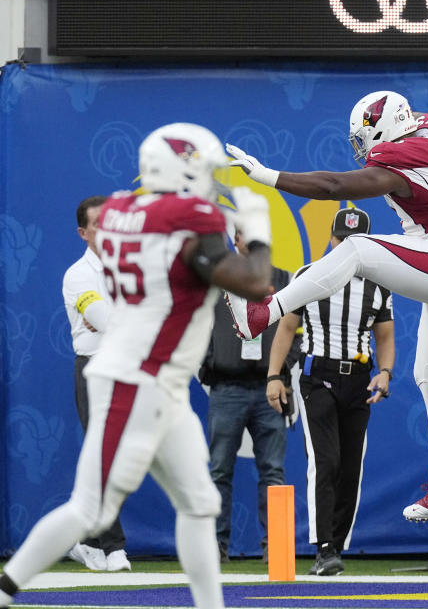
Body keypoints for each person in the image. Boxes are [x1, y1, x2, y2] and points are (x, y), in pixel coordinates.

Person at [0, 122, 274, 609]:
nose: (207, 180)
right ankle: (5, 589)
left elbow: (175, 256)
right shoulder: (189, 217)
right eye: (201, 168)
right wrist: (256, 232)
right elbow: (255, 282)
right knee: (90, 508)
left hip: (155, 378)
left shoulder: (121, 210)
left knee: (199, 502)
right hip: (137, 378)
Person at [222, 90, 428, 523]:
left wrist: (267, 175)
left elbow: (334, 186)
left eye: (365, 137)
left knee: (355, 248)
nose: (363, 148)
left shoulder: (407, 151)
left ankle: (265, 312)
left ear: (387, 126)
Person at [267, 207, 395, 576]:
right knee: (326, 461)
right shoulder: (308, 275)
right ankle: (323, 547)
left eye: (356, 243)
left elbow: (384, 336)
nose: (346, 248)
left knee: (350, 467)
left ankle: (335, 545)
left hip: (359, 378)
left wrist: (385, 372)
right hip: (318, 375)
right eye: (342, 240)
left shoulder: (377, 284)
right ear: (332, 238)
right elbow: (287, 328)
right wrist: (274, 375)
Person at [200, 229, 291, 562]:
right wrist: (206, 366)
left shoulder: (283, 279)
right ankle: (214, 548)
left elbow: (294, 329)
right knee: (219, 470)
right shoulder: (215, 281)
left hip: (269, 390)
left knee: (274, 472)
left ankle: (277, 549)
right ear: (234, 239)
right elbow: (193, 324)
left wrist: (280, 373)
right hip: (226, 388)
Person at [61, 195, 130, 572]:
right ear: (84, 233)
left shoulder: (132, 269)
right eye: (100, 224)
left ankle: (86, 538)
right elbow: (105, 320)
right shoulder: (78, 274)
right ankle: (113, 545)